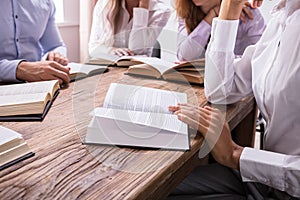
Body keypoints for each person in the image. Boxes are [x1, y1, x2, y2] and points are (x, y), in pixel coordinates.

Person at [168, 0, 300, 199]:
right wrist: (229, 9)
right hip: (265, 179)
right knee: (162, 187)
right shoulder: (283, 17)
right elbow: (220, 90)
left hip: (281, 184)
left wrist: (235, 154)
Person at [0, 0, 70, 84]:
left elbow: (55, 46)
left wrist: (56, 55)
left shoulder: (46, 3)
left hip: (38, 82)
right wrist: (19, 69)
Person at [175, 0, 265, 61]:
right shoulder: (187, 10)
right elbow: (184, 56)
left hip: (236, 85)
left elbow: (261, 57)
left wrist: (206, 65)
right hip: (201, 84)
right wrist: (211, 16)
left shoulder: (248, 14)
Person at [89, 0, 171, 58]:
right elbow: (93, 49)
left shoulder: (161, 11)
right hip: (109, 69)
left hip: (137, 72)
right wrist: (110, 50)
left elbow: (137, 51)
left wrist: (143, 8)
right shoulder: (105, 4)